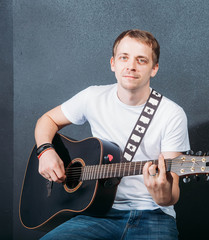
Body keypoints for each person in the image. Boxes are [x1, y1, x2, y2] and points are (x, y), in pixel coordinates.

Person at [35, 29, 190, 239]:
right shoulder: (92, 97)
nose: (131, 66)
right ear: (113, 63)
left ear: (154, 69)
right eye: (124, 57)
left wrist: (163, 197)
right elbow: (47, 120)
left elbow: (172, 192)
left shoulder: (172, 114)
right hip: (96, 213)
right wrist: (45, 151)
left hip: (153, 215)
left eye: (141, 60)